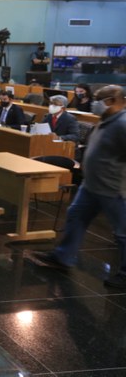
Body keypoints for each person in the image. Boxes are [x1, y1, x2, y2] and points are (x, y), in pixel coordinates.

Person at [32, 85, 126, 288]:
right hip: (92, 185)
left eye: (99, 100)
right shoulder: (106, 120)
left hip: (114, 188)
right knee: (75, 216)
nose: (95, 104)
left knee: (122, 232)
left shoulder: (122, 124)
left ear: (111, 101)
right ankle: (63, 257)